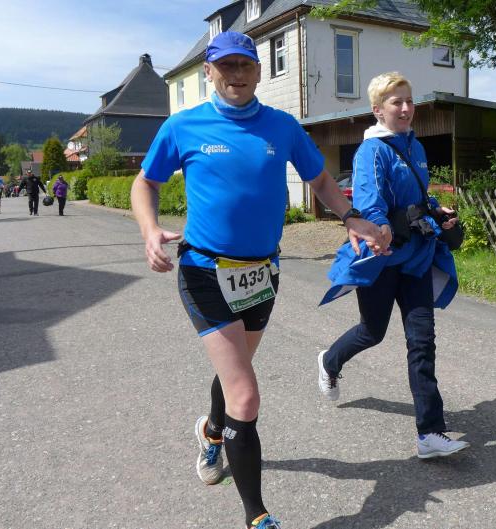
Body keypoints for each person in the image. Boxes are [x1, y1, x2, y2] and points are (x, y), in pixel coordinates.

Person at [129, 31, 389, 529]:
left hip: (261, 273)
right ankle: (257, 516)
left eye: (245, 65)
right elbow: (147, 182)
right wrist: (148, 229)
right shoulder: (183, 126)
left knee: (236, 373)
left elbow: (319, 179)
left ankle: (211, 432)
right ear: (209, 72)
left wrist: (351, 216)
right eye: (226, 66)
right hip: (205, 271)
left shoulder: (282, 126)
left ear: (259, 71)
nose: (237, 74)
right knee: (245, 394)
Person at [317, 72, 470, 460]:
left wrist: (436, 211)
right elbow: (369, 200)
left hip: (416, 259)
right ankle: (330, 361)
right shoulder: (372, 151)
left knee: (422, 341)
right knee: (372, 331)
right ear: (378, 110)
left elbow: (417, 196)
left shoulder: (415, 146)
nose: (405, 108)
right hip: (383, 259)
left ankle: (429, 432)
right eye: (396, 102)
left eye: (409, 101)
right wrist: (378, 228)